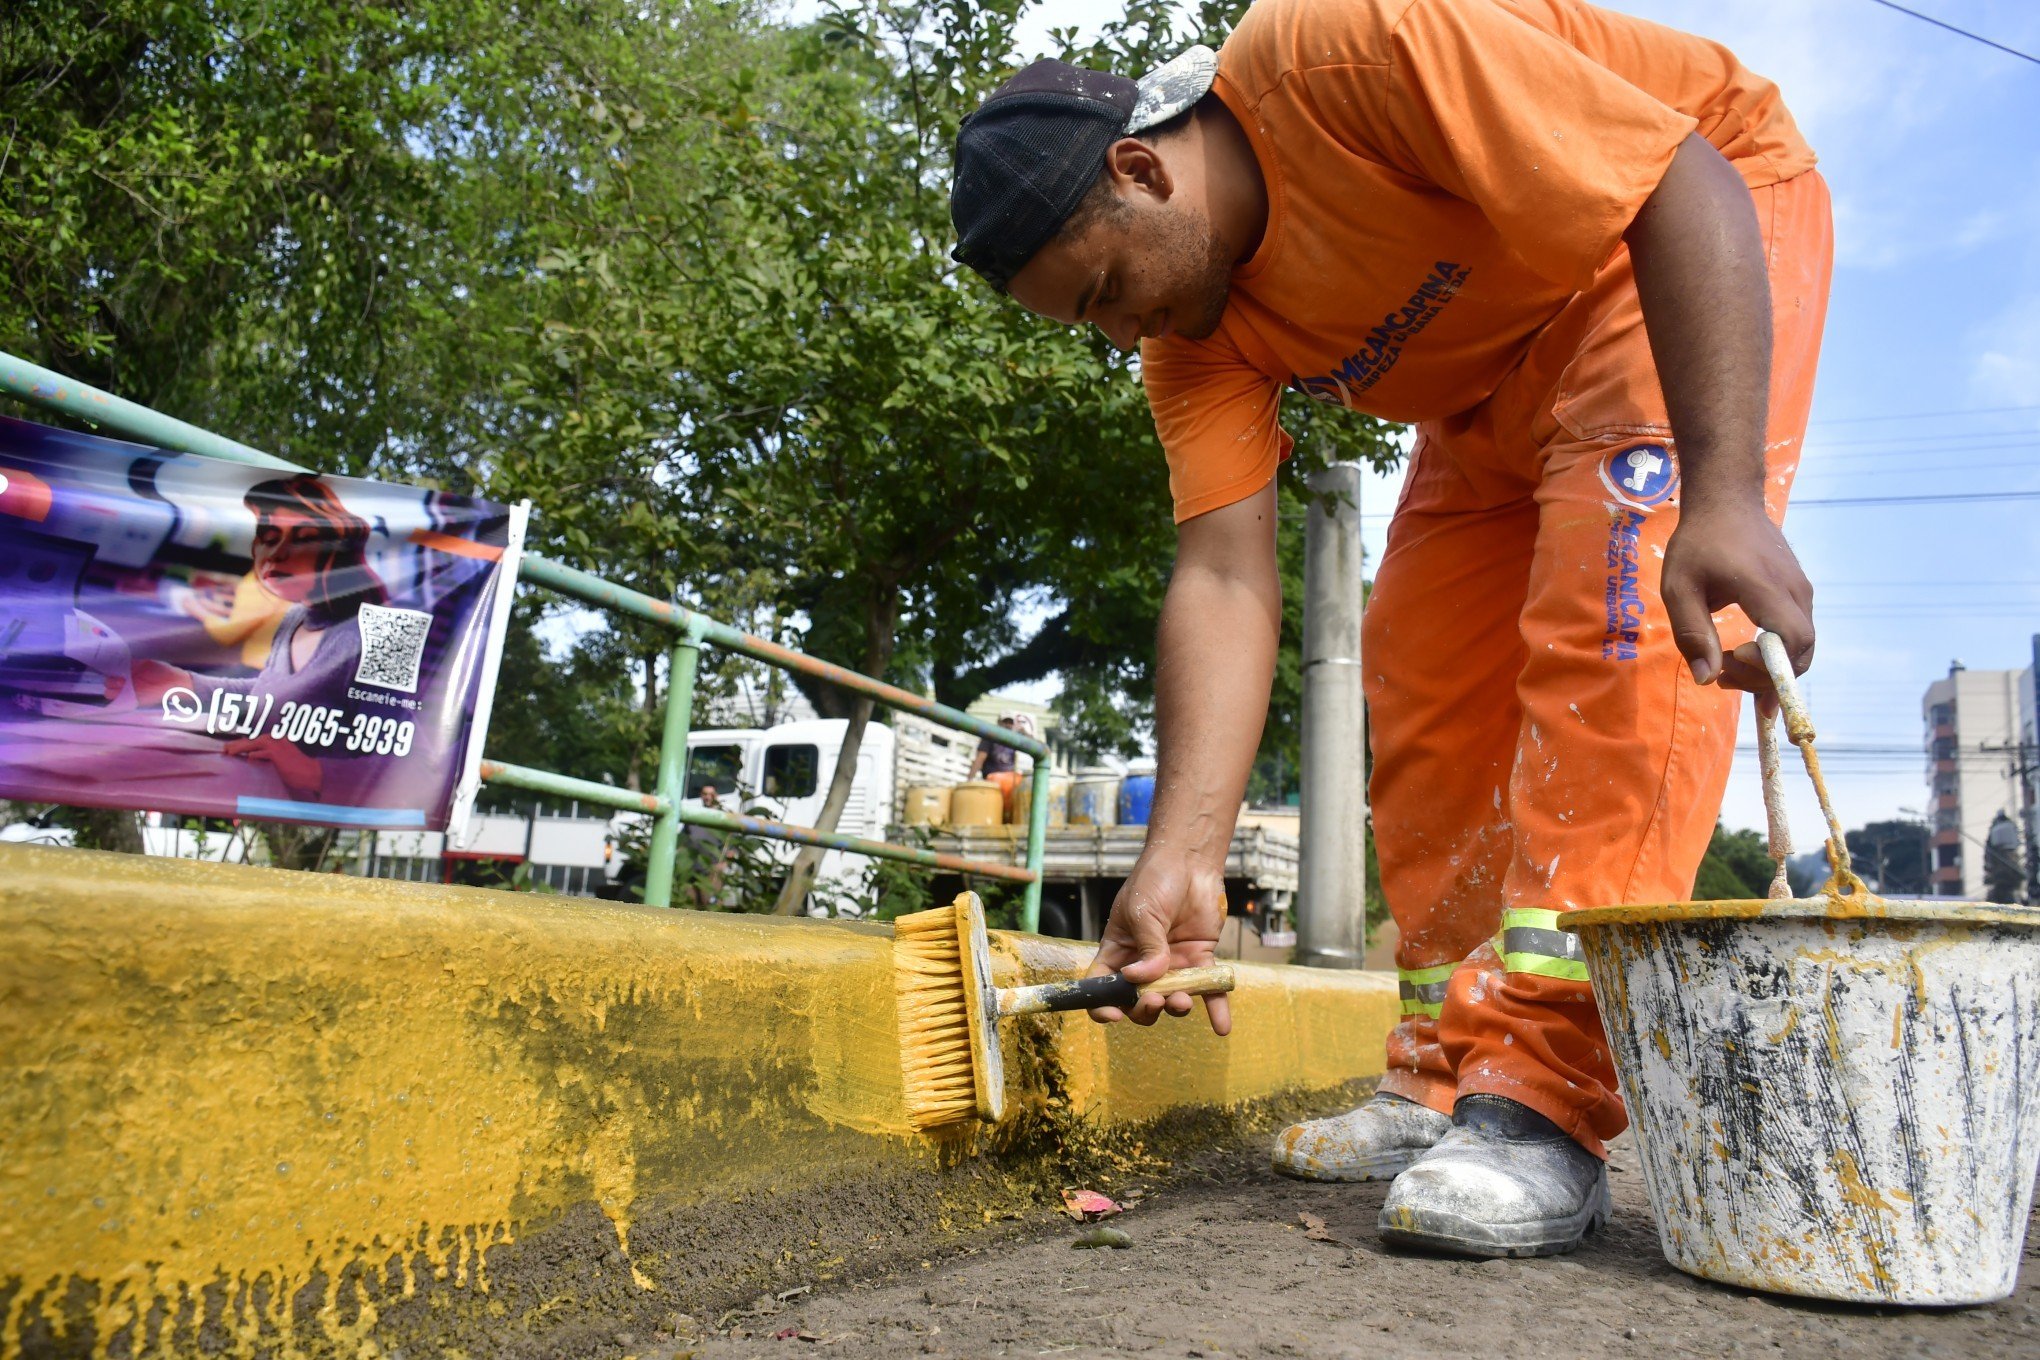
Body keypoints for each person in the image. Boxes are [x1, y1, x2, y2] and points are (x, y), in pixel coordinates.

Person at [949, 0, 1829, 1257]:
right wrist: (1183, 853)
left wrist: (1725, 493)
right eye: (1088, 323)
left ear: (1141, 170)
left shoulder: (1338, 52)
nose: (1121, 332)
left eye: (1104, 291)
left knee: (1612, 641)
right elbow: (1225, 578)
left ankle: (1539, 1101)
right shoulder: (1198, 346)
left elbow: (1676, 173)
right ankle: (1440, 1070)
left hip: (1676, 239)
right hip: (1486, 379)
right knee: (1415, 666)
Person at [134, 474, 391, 799]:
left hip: (318, 829)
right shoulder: (295, 617)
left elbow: (409, 754)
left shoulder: (386, 632)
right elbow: (267, 692)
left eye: (304, 538)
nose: (278, 553)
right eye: (268, 537)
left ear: (338, 551)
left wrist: (315, 771)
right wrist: (185, 683)